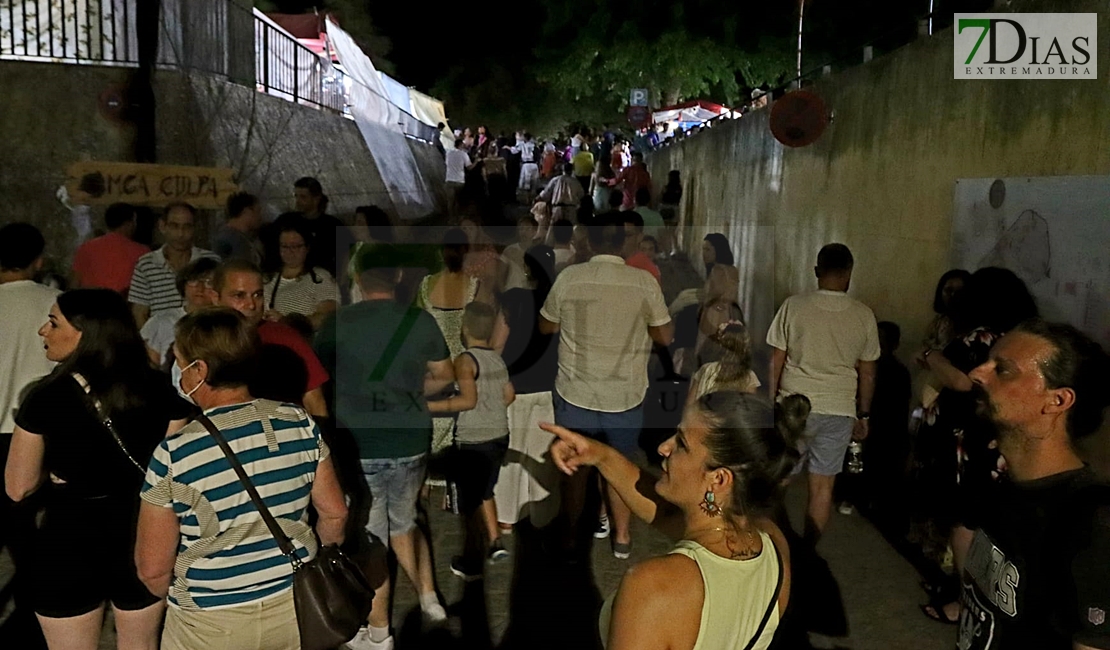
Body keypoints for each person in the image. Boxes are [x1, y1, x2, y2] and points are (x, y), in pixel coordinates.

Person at [134, 307, 347, 649]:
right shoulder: (299, 422)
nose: (177, 371)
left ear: (200, 369)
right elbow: (335, 514)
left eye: (179, 360)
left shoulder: (175, 453)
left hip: (208, 623)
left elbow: (152, 570)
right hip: (294, 606)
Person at [544, 392, 806, 650]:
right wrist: (601, 456)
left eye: (681, 443)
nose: (663, 447)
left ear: (719, 479)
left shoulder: (653, 586)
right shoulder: (773, 542)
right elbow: (664, 513)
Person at [6, 289, 190, 650]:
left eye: (54, 321)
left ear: (85, 332)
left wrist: (57, 474)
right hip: (143, 530)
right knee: (141, 644)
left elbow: (18, 486)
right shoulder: (160, 389)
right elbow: (173, 470)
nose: (44, 330)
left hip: (69, 536)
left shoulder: (46, 396)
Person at [315, 246, 453, 649]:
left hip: (361, 444)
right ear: (396, 278)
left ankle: (378, 634)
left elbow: (318, 382)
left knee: (371, 541)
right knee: (407, 520)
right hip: (411, 438)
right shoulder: (420, 321)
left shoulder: (337, 323)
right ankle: (429, 597)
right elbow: (444, 376)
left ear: (357, 279)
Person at [953, 319, 1110, 649]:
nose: (977, 374)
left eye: (1003, 369)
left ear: (1057, 401)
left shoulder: (1091, 523)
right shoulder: (1001, 483)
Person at [540, 216, 673, 559]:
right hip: (625, 396)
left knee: (574, 467)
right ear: (623, 243)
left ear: (589, 241)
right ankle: (623, 537)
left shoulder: (570, 277)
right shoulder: (643, 283)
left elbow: (546, 326)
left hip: (576, 392)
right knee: (621, 467)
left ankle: (571, 534)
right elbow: (665, 336)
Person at [915, 267, 1039, 625]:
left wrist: (929, 356)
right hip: (1005, 445)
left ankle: (967, 602)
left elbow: (961, 380)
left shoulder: (980, 337)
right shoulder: (1023, 339)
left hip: (972, 448)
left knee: (966, 525)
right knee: (991, 525)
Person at [767, 243, 880, 538]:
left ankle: (774, 539)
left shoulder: (794, 306)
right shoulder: (864, 314)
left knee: (780, 478)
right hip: (839, 410)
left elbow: (776, 360)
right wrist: (863, 414)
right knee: (823, 487)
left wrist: (768, 404)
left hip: (794, 407)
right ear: (849, 274)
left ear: (816, 271)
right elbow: (867, 373)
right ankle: (807, 550)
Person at [0, 223, 58, 649]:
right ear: (39, 259)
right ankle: (32, 617)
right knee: (29, 533)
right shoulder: (56, 305)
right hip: (35, 435)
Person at [428, 302, 515, 579]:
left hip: (474, 440)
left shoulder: (464, 360)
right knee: (485, 491)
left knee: (469, 506)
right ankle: (495, 542)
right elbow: (509, 395)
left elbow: (467, 400)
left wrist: (428, 407)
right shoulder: (496, 358)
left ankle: (473, 561)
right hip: (499, 435)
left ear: (464, 329)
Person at [495, 245, 561, 531]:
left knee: (511, 457)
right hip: (549, 389)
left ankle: (506, 518)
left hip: (515, 387)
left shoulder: (514, 299)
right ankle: (540, 519)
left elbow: (498, 343)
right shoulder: (560, 302)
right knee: (540, 458)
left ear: (527, 269)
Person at [211, 259, 329, 418]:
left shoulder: (285, 337)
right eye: (239, 295)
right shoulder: (202, 340)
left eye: (257, 295)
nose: (251, 305)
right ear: (216, 298)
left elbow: (315, 402)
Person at [418, 229, 482, 452]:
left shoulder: (427, 284)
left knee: (433, 433)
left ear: (440, 252)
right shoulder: (475, 286)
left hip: (433, 365)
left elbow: (417, 326)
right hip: (465, 365)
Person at [129, 202, 219, 328]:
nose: (181, 234)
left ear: (195, 228)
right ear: (162, 226)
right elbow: (140, 312)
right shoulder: (146, 264)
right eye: (174, 226)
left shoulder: (211, 261)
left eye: (187, 227)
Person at [262, 216, 340, 330]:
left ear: (307, 247)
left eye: (296, 246)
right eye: (285, 246)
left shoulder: (320, 277)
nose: (290, 252)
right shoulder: (267, 279)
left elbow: (327, 316)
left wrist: (287, 322)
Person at [140, 256, 220, 367]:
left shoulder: (225, 324)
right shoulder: (160, 321)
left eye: (208, 282)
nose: (199, 288)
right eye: (193, 281)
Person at [71, 202, 149, 294]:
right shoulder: (142, 252)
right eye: (134, 221)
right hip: (122, 306)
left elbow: (74, 284)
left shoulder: (85, 248)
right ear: (129, 223)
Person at [688, 320, 760, 402]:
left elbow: (690, 404)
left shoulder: (707, 369)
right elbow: (751, 408)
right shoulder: (749, 376)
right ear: (745, 347)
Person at [292, 176, 349, 279]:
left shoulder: (332, 225)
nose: (298, 201)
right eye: (296, 196)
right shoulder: (287, 222)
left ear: (316, 199)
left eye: (303, 197)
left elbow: (346, 256)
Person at [213, 191, 263, 264]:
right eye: (258, 211)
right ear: (246, 211)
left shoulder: (241, 238)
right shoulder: (227, 240)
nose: (260, 217)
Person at [621, 211, 661, 284]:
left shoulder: (647, 271)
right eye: (618, 235)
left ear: (639, 237)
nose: (621, 240)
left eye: (627, 235)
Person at [446, 138, 475, 216]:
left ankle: (451, 219)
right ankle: (458, 219)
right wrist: (477, 161)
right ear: (461, 145)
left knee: (450, 202)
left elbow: (447, 163)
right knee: (458, 201)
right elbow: (469, 167)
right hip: (459, 181)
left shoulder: (448, 153)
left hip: (449, 179)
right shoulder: (463, 154)